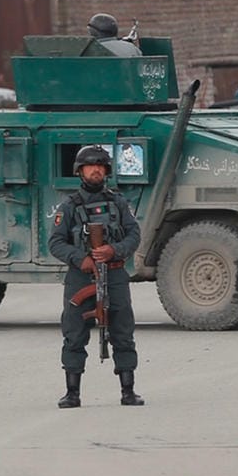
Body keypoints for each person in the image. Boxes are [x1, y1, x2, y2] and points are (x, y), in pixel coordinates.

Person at [49, 145, 143, 408]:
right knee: (74, 333)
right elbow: (56, 243)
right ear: (80, 171)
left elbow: (134, 235)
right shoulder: (68, 207)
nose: (96, 170)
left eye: (100, 166)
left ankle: (128, 391)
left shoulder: (118, 203)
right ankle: (72, 393)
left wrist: (114, 250)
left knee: (123, 332)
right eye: (90, 166)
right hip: (81, 277)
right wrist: (83, 259)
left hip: (114, 274)